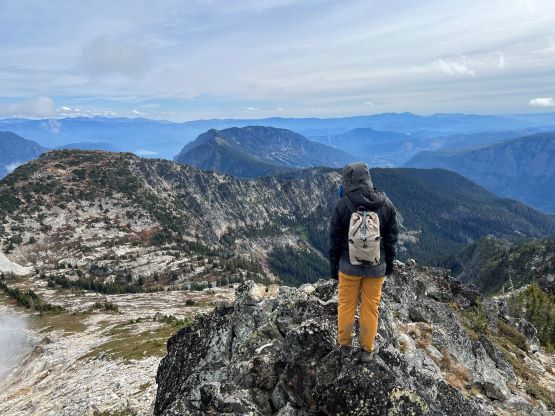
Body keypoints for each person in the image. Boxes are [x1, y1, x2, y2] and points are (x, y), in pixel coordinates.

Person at [329, 162, 399, 361]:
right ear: (368, 178)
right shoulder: (386, 204)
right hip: (376, 267)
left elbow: (334, 239)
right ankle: (367, 350)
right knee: (370, 307)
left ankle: (345, 346)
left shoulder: (342, 205)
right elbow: (391, 238)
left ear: (348, 180)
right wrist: (389, 264)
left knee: (346, 306)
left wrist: (334, 266)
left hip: (348, 266)